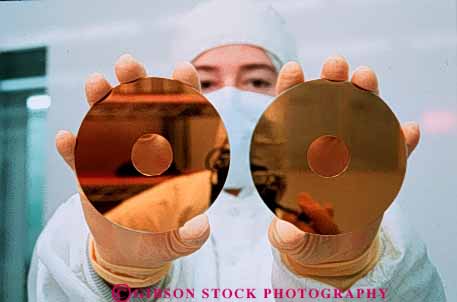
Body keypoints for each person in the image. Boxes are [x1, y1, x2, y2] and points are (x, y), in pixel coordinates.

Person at [28, 1, 446, 301]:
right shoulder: (107, 213)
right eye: (206, 84)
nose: (230, 98)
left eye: (258, 82)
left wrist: (350, 275)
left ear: (289, 96)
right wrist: (115, 276)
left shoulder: (367, 222)